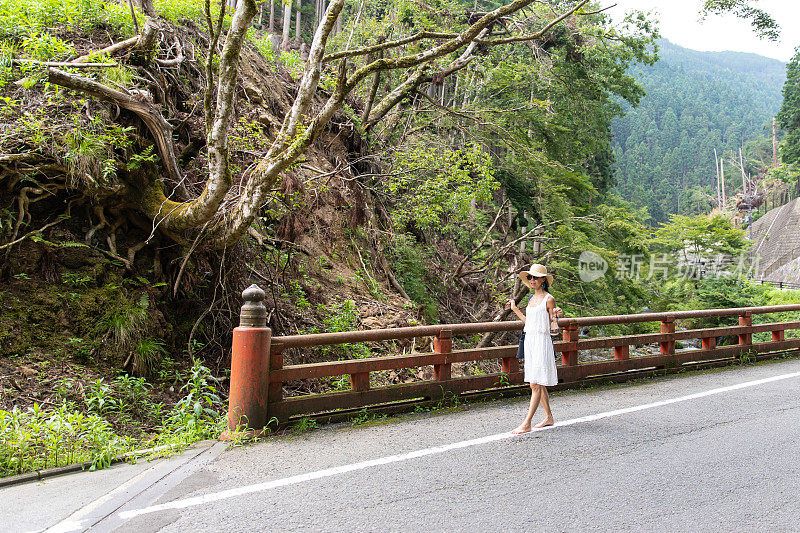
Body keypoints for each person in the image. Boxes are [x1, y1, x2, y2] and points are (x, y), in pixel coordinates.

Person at [506, 264, 564, 434]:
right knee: (537, 380)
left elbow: (554, 328)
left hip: (542, 341)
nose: (532, 280)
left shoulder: (549, 299)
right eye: (530, 277)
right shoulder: (531, 299)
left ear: (543, 280)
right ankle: (549, 417)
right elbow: (529, 322)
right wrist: (515, 309)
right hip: (530, 340)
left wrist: (556, 315)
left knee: (534, 384)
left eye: (536, 277)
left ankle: (527, 423)